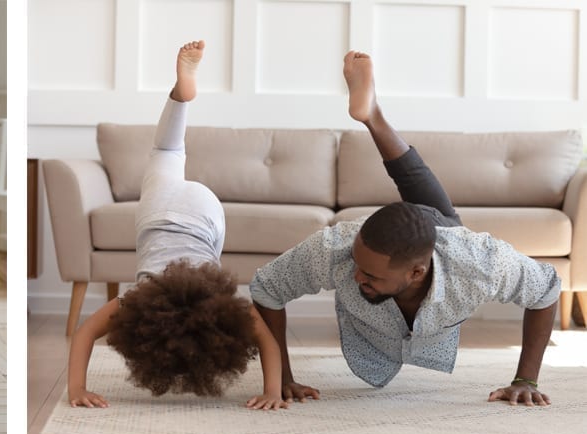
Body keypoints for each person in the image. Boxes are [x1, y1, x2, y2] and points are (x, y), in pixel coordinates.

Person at [249, 51, 560, 407]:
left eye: (369, 274)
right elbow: (267, 288)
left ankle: (374, 116)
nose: (356, 277)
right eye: (358, 265)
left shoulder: (481, 263)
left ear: (416, 272)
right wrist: (282, 378)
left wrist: (526, 379)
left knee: (438, 211)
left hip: (446, 242)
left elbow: (546, 288)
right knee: (419, 190)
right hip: (426, 236)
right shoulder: (335, 249)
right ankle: (372, 116)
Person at [67, 41, 289, 411]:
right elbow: (86, 335)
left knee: (169, 157)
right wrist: (77, 388)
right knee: (166, 154)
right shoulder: (138, 299)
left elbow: (267, 344)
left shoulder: (219, 301)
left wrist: (272, 390)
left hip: (205, 215)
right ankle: (180, 97)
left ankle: (180, 98)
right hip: (161, 211)